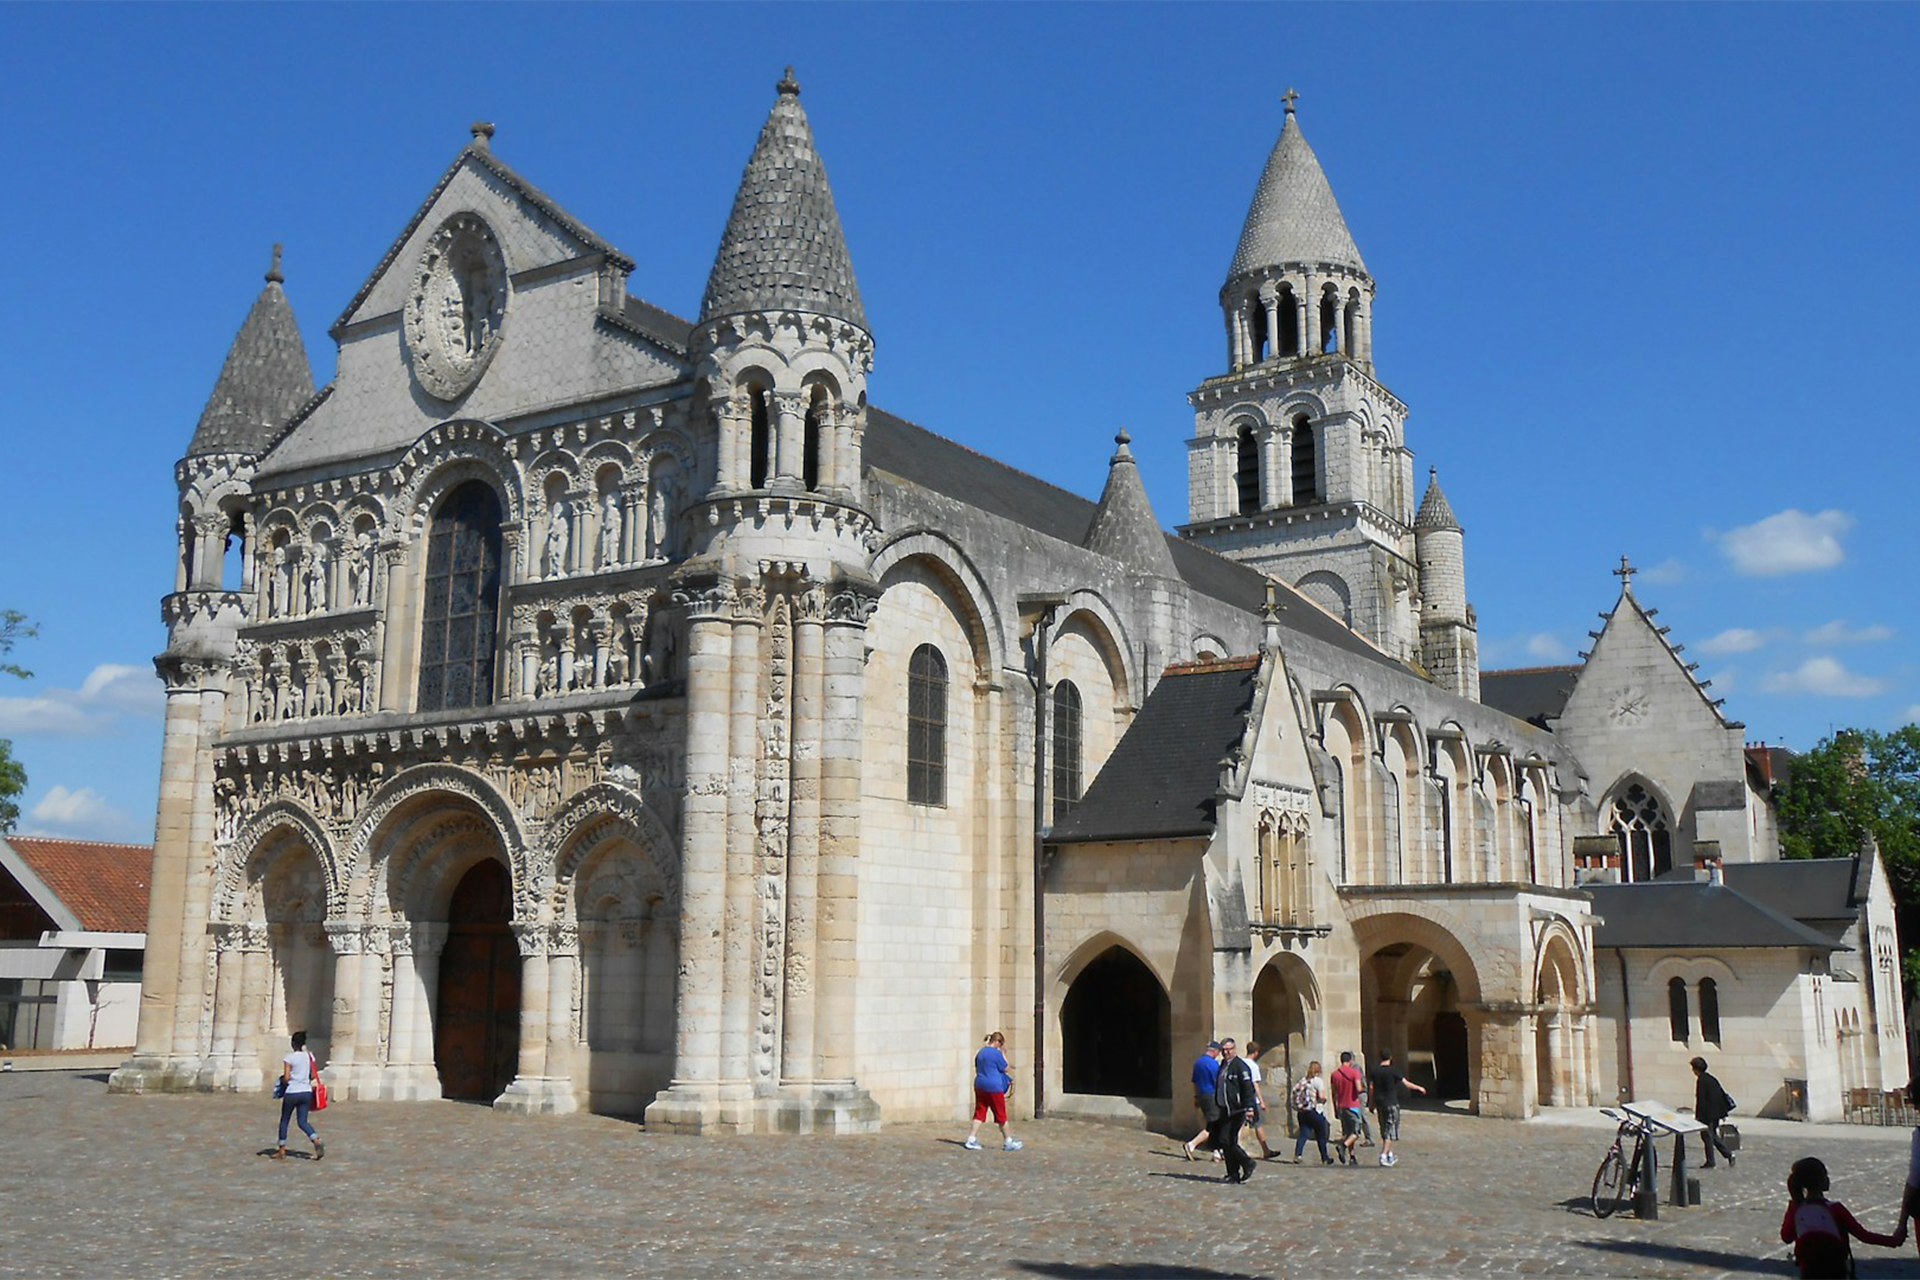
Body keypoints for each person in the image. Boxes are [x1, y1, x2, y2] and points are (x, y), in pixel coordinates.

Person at [1781, 1156, 1904, 1278]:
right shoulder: (1835, 1208)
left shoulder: (1796, 1209)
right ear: (1821, 1180)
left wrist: (1793, 1205)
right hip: (1836, 1270)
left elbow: (1786, 1237)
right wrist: (1894, 1240)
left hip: (1808, 1272)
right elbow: (1864, 1236)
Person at [964, 1031, 1022, 1151]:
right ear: (997, 1042)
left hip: (980, 1084)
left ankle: (971, 1138)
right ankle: (1008, 1141)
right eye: (1000, 1044)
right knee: (1001, 1115)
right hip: (994, 1087)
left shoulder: (980, 1053)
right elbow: (1005, 1068)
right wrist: (1003, 1054)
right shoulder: (996, 1054)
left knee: (980, 1112)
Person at [1368, 1050, 1426, 1168]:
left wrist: (1371, 1103)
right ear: (1391, 1057)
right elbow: (1406, 1084)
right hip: (1391, 1102)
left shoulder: (1374, 1070)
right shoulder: (1394, 1070)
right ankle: (1383, 1155)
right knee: (1391, 1130)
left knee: (1384, 1128)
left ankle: (1389, 1153)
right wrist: (1419, 1088)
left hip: (1380, 1103)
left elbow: (1371, 1088)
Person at [273, 1030, 323, 1161]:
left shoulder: (289, 1058)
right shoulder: (309, 1056)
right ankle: (315, 1139)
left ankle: (282, 1149)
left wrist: (282, 1081)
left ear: (293, 1043)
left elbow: (287, 1077)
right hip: (306, 1091)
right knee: (302, 1121)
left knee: (285, 1120)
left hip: (292, 1092)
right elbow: (312, 1075)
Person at [1214, 1038, 1258, 1184]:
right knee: (1228, 1141)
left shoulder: (1240, 1066)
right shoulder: (1223, 1065)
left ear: (1235, 1049)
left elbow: (1248, 1089)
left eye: (1229, 1049)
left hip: (1237, 1109)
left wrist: (1249, 1108)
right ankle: (1233, 1173)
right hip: (1224, 1108)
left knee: (1225, 1139)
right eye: (1224, 1050)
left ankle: (1247, 1162)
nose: (1226, 1052)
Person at [1690, 1056, 1737, 1169]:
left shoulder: (1702, 1080)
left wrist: (1699, 1116)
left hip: (1708, 1115)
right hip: (1715, 1114)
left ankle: (1713, 1161)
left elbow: (1702, 1100)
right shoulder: (1711, 1079)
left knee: (1707, 1136)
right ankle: (1727, 1155)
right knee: (1711, 1136)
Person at [1182, 1041, 1225, 1162]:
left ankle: (1217, 1152)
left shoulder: (1198, 1063)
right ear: (1215, 1051)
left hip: (1202, 1095)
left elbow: (1194, 1082)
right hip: (1212, 1095)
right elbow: (1218, 1083)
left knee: (1215, 1124)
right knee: (1213, 1125)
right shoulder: (1213, 1064)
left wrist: (1196, 1098)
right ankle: (1191, 1145)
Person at [1291, 1060, 1334, 1164]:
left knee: (1303, 1134)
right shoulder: (1318, 1081)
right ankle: (1324, 1157)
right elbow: (1322, 1097)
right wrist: (1324, 1100)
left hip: (1302, 1112)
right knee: (1321, 1135)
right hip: (1315, 1111)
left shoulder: (1303, 1081)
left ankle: (1298, 1154)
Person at [1329, 1050, 1367, 1167]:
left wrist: (1335, 1107)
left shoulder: (1334, 1074)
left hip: (1341, 1105)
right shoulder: (1354, 1072)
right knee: (1356, 1132)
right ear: (1350, 1060)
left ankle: (1352, 1156)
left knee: (1348, 1132)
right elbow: (1358, 1088)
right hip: (1353, 1105)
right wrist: (1363, 1089)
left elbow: (1334, 1093)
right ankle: (1343, 1146)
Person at [1244, 1041, 1279, 1159]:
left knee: (1239, 1125)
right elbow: (1255, 1084)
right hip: (1252, 1101)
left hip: (1241, 1100)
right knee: (1257, 1124)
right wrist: (1261, 1101)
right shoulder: (1253, 1066)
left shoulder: (1240, 1063)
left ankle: (1265, 1150)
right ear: (1256, 1052)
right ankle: (1266, 1150)